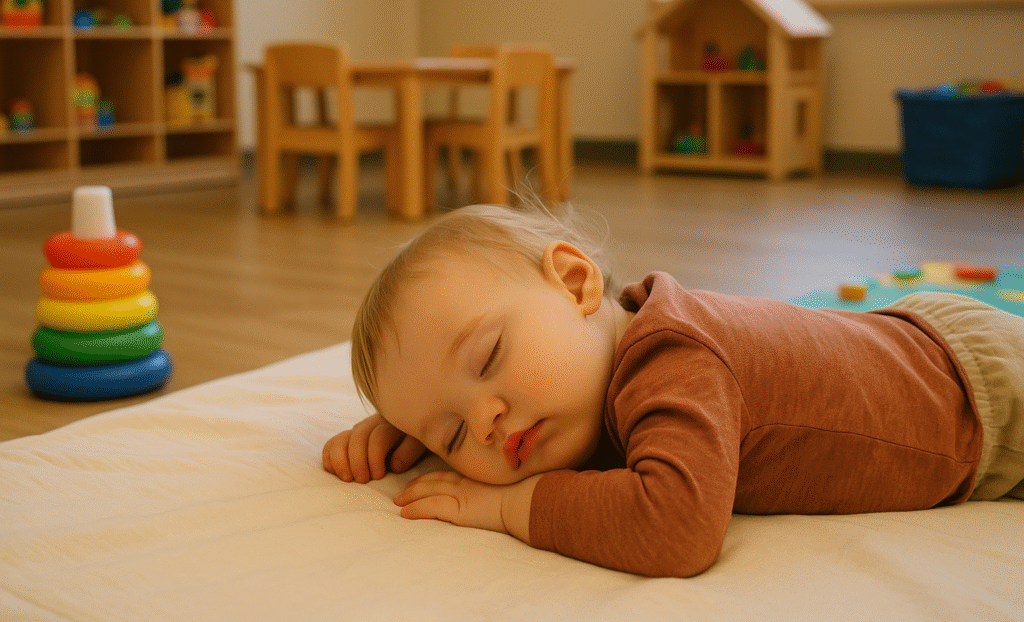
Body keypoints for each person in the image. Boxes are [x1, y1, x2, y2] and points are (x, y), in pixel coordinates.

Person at [322, 202, 1024, 578]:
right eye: (451, 431)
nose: (484, 421)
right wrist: (411, 435)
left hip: (979, 399)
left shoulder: (673, 359)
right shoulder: (596, 365)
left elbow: (676, 527)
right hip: (917, 339)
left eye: (489, 357)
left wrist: (509, 506)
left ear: (574, 284)